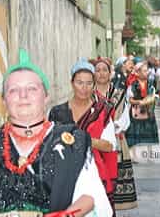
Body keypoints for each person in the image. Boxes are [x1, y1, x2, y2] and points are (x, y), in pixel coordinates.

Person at [0, 49, 112, 216]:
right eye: (13, 90)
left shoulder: (72, 142)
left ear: (46, 96)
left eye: (32, 89)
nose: (23, 95)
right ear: (4, 100)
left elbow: (91, 196)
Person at [48, 58, 117, 216]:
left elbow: (110, 145)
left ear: (94, 85)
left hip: (95, 172)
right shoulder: (57, 112)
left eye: (88, 83)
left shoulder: (102, 111)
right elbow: (48, 143)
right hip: (62, 174)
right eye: (80, 82)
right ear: (72, 83)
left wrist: (83, 140)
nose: (84, 88)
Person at [91, 56, 138, 210]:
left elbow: (125, 117)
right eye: (97, 70)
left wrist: (113, 127)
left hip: (116, 140)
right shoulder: (89, 96)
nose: (101, 73)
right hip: (94, 142)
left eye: (105, 70)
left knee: (114, 176)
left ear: (110, 72)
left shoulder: (119, 93)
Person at [125, 60, 159, 160]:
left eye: (146, 70)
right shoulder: (133, 84)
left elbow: (153, 95)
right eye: (144, 71)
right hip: (136, 111)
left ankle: (150, 154)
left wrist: (150, 100)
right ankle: (133, 155)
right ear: (138, 72)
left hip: (148, 110)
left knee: (149, 132)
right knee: (134, 133)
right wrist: (139, 102)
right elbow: (130, 99)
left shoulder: (150, 83)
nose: (146, 72)